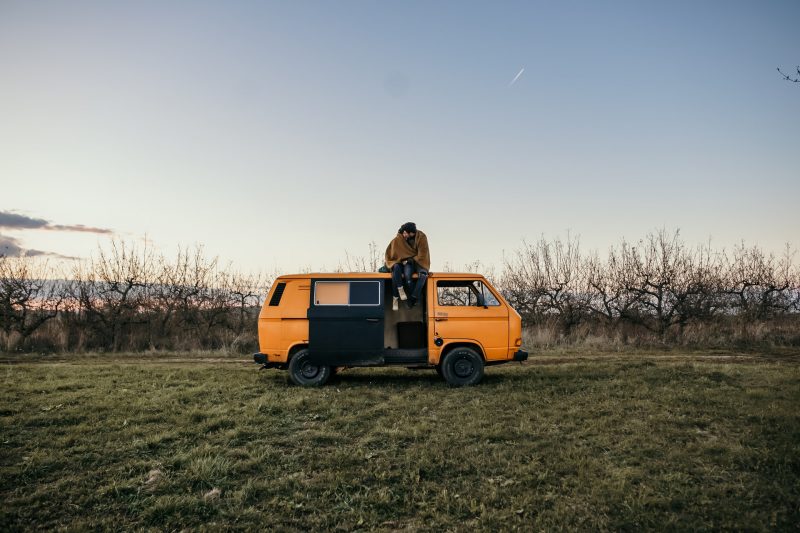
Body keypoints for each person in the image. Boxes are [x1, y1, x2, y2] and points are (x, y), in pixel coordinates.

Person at [384, 222, 430, 310]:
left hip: (418, 261)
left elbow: (421, 255)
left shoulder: (421, 237)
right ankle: (398, 295)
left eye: (411, 233)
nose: (406, 235)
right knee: (402, 273)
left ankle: (414, 297)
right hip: (403, 262)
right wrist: (399, 260)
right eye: (406, 233)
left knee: (423, 275)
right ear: (405, 232)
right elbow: (395, 252)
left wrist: (409, 259)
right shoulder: (399, 239)